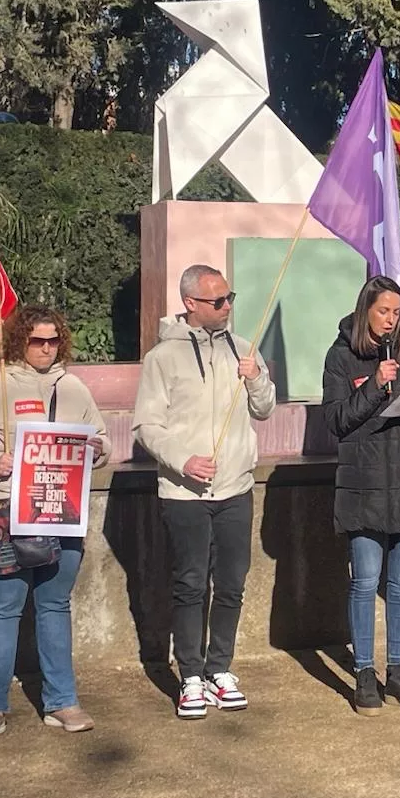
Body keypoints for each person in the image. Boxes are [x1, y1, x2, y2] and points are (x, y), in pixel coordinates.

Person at [0, 304, 110, 743]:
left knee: (56, 605)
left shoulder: (74, 387)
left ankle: (62, 701)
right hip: (3, 513)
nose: (46, 348)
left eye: (54, 339)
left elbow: (102, 436)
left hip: (63, 512)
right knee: (4, 609)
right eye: (38, 340)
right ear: (20, 340)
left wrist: (96, 449)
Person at [133, 264, 275, 718]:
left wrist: (255, 377)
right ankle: (190, 676)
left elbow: (266, 408)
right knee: (191, 585)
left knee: (231, 583)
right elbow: (146, 426)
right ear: (191, 304)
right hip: (184, 492)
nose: (227, 306)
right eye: (217, 301)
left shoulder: (244, 349)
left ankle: (220, 669)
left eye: (229, 297)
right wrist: (183, 459)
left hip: (235, 488)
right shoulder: (162, 358)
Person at [321, 276, 400, 714]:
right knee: (365, 581)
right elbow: (335, 422)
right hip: (364, 482)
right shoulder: (340, 356)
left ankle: (398, 670)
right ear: (365, 311)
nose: (390, 321)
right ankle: (364, 674)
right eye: (383, 311)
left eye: (397, 313)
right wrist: (374, 384)